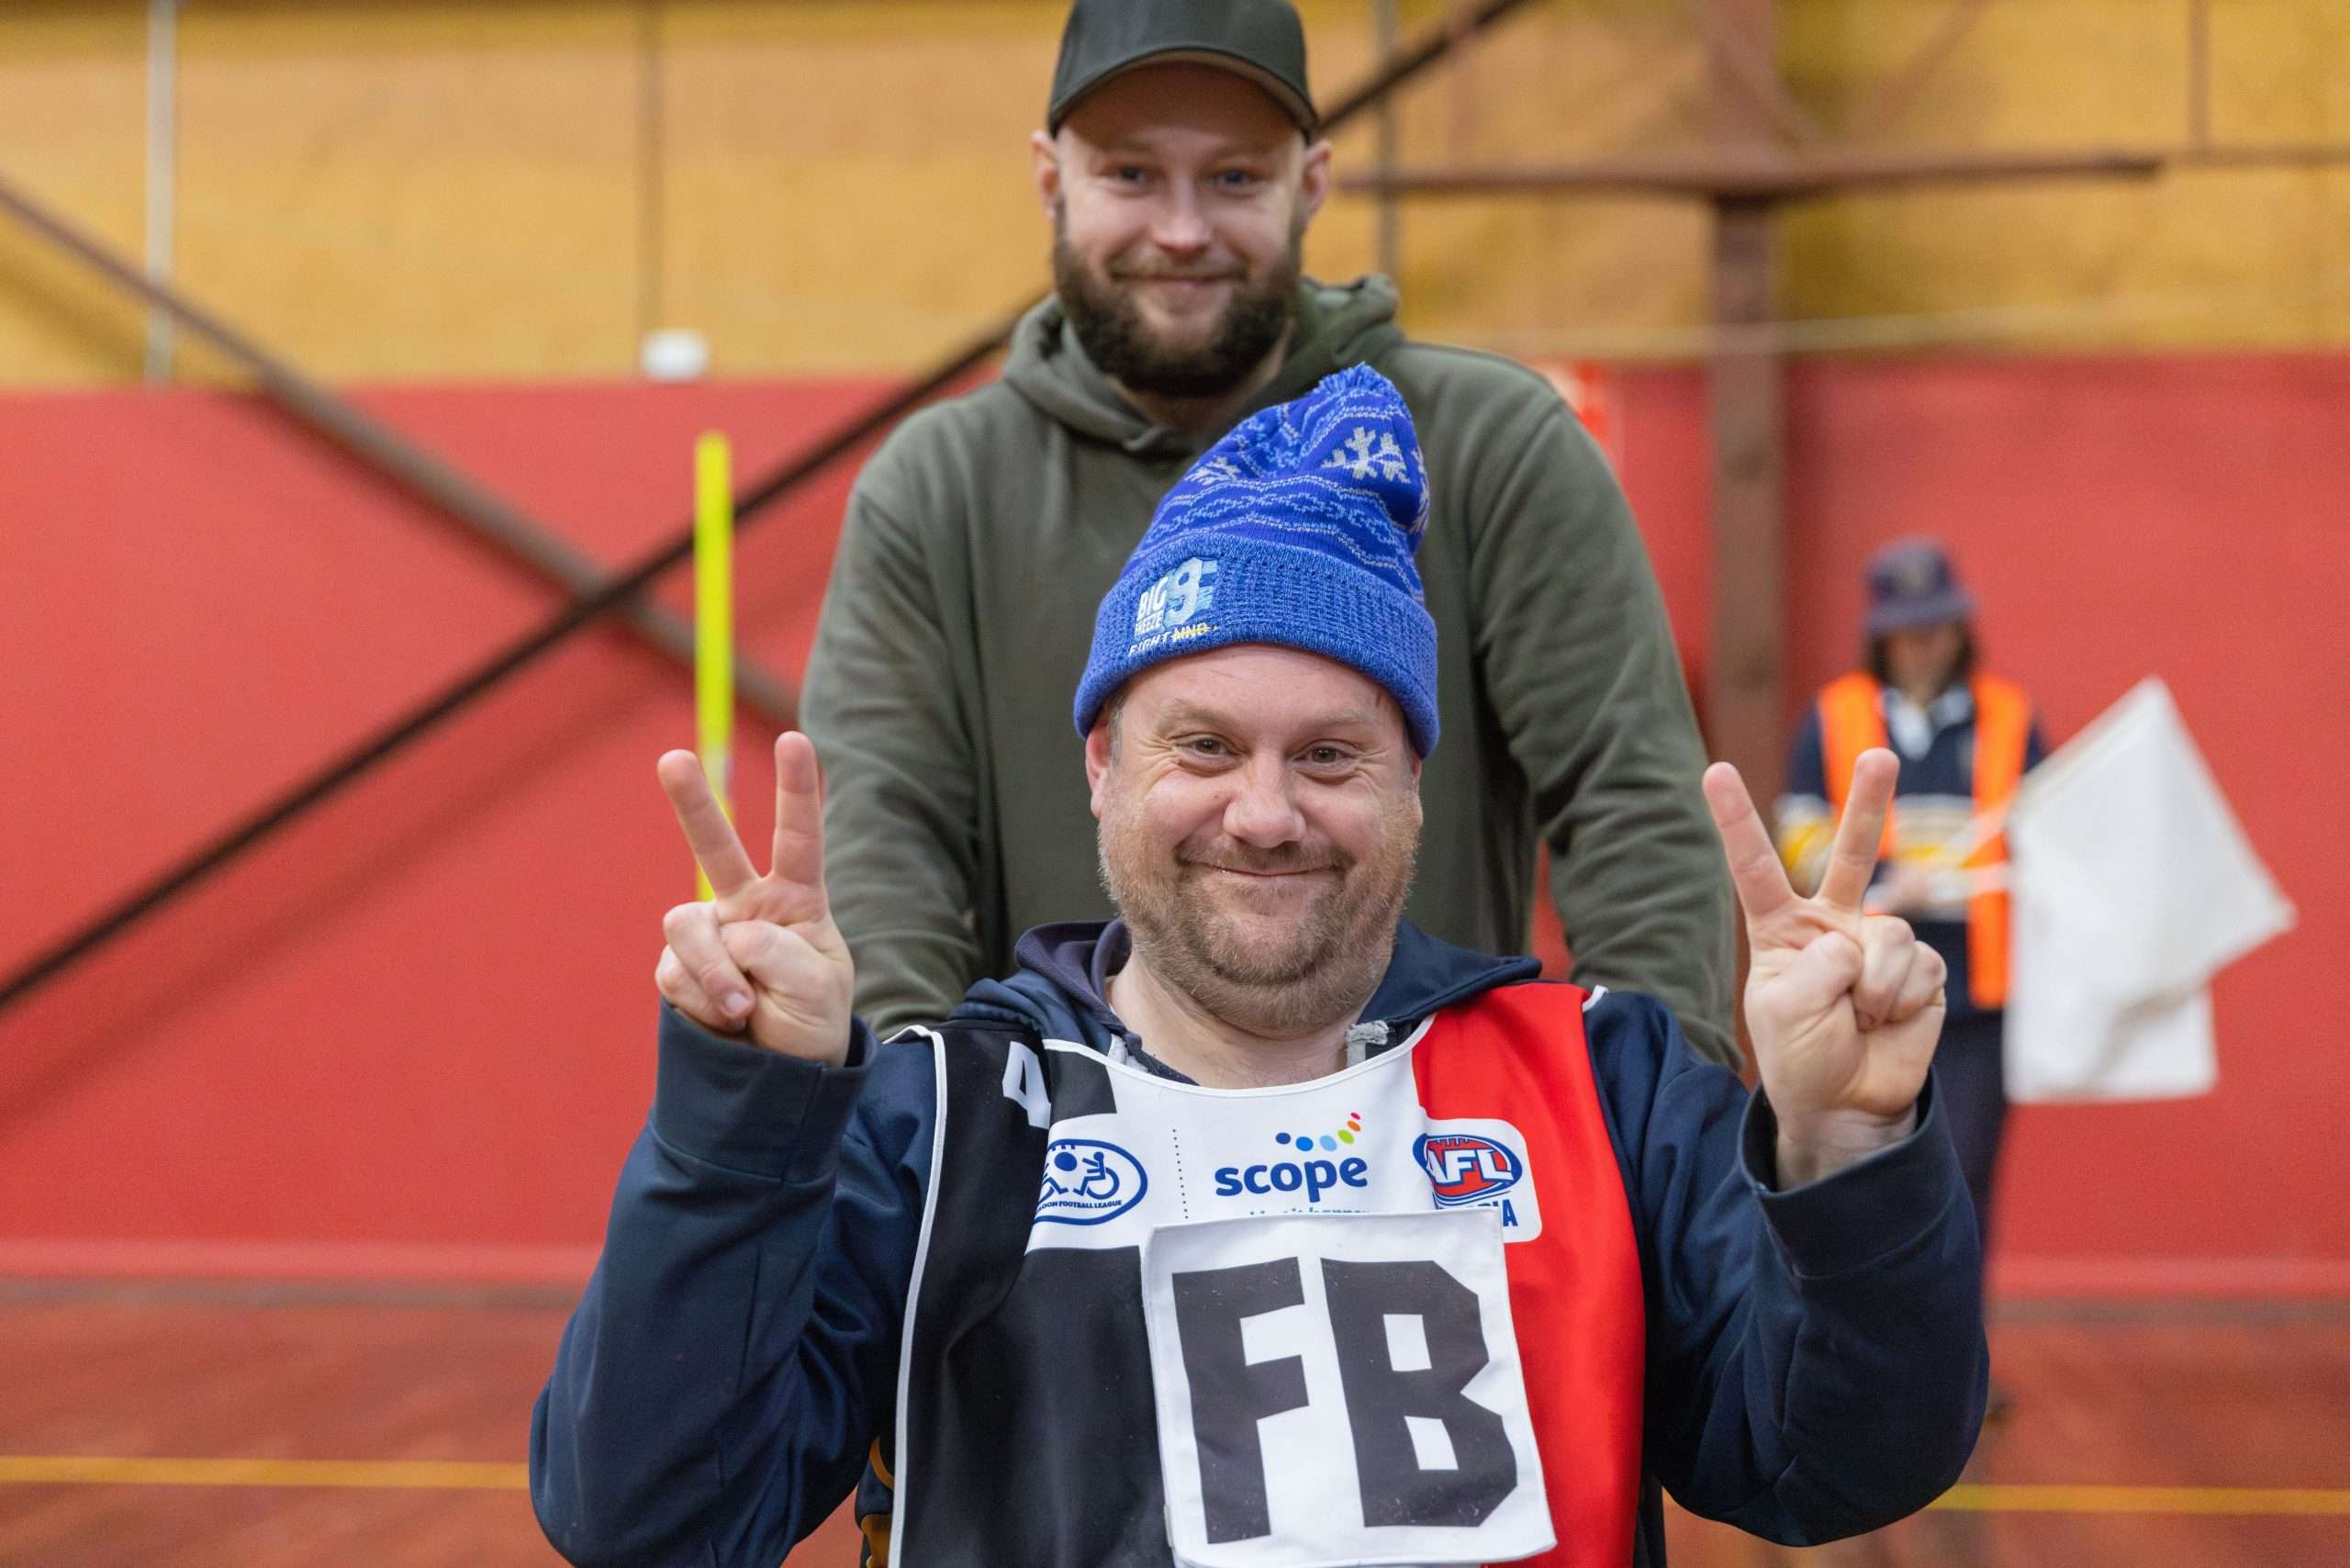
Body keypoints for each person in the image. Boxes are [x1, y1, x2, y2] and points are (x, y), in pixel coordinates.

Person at [533, 370, 1986, 1568]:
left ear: (1413, 785)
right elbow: (652, 1521)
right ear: (1101, 767)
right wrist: (745, 1121)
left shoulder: (1606, 1084)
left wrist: (1848, 1149)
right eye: (1205, 746)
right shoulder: (945, 1119)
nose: (1267, 812)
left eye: (1332, 755)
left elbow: (1838, 1467)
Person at [800, 0, 1740, 1069]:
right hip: (1060, 1150)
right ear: (1051, 179)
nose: (1182, 230)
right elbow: (884, 852)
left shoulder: (1492, 445)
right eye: (1130, 174)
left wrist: (1655, 1111)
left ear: (1312, 182)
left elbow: (1630, 807)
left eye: (1235, 177)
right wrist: (921, 1118)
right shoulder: (937, 490)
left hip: (1441, 1143)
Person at [1775, 538, 2045, 1266]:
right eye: (1908, 632)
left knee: (1966, 1176)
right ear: (1882, 637)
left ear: (1959, 629)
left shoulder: (2009, 716)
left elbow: (2049, 835)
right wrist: (1887, 877)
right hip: (1867, 984)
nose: (1923, 646)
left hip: (1979, 990)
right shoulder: (1834, 715)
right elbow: (1799, 830)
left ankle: (1961, 1335)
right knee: (1867, 1177)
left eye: (1936, 628)